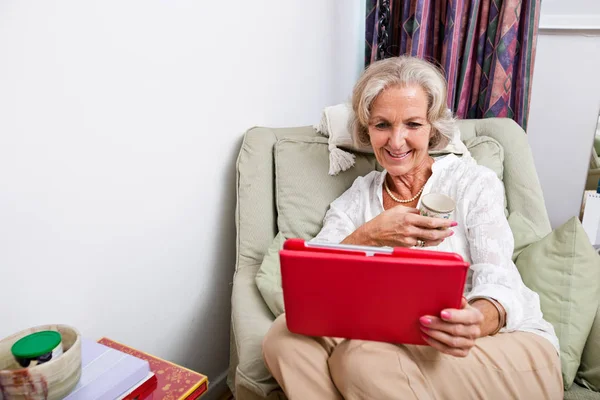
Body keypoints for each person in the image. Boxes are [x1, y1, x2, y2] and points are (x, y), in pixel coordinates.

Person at [262, 56, 562, 399]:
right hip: (394, 343)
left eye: (413, 124)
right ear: (366, 129)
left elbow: (500, 280)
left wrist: (476, 319)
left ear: (433, 127)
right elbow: (312, 280)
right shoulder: (358, 199)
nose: (396, 141)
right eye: (382, 125)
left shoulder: (473, 182)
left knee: (361, 358)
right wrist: (368, 235)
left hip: (498, 344)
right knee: (284, 337)